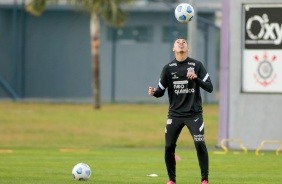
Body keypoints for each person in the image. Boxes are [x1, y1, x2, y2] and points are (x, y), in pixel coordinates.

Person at [148, 38, 213, 184]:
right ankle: (172, 179)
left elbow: (210, 87)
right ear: (173, 48)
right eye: (178, 42)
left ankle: (204, 179)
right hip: (175, 115)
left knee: (199, 143)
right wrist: (154, 92)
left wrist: (196, 79)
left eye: (184, 42)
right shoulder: (168, 68)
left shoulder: (197, 65)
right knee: (169, 146)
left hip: (194, 114)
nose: (181, 43)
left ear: (188, 48)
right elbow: (160, 91)